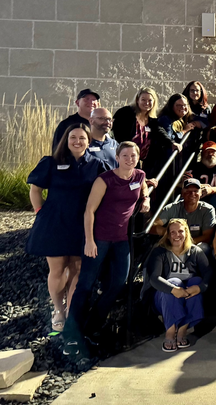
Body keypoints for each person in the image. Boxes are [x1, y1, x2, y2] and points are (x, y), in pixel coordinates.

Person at [63, 141, 150, 357]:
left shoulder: (139, 176)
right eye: (125, 155)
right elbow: (89, 211)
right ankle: (71, 334)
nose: (129, 159)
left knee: (119, 283)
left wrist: (146, 199)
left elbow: (143, 186)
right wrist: (89, 241)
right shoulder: (105, 180)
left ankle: (92, 326)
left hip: (121, 240)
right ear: (117, 157)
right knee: (85, 285)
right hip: (99, 238)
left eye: (133, 155)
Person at [27, 124, 110, 332]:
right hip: (54, 223)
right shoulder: (51, 162)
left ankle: (71, 314)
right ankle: (58, 309)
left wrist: (144, 185)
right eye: (73, 137)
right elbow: (35, 189)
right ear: (66, 140)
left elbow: (114, 183)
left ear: (88, 141)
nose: (77, 141)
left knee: (77, 270)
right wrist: (40, 212)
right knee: (57, 270)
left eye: (82, 138)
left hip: (82, 224)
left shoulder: (97, 165)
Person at [142, 219, 212, 352]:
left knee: (196, 281)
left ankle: (182, 330)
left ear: (186, 233)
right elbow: (154, 278)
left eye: (180, 231)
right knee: (174, 281)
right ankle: (170, 331)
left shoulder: (195, 251)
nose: (177, 235)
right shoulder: (159, 252)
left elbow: (208, 274)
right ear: (168, 235)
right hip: (164, 297)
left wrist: (199, 287)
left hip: (187, 294)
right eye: (172, 232)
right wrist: (173, 289)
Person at [112, 87, 179, 179]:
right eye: (143, 99)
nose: (147, 103)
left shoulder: (152, 120)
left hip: (145, 162)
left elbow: (160, 132)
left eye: (150, 100)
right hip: (128, 159)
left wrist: (171, 143)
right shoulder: (126, 113)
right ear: (137, 100)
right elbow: (117, 134)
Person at [153, 178, 216, 259]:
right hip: (174, 244)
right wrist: (170, 233)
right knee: (156, 247)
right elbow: (152, 226)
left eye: (196, 191)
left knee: (203, 248)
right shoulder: (172, 208)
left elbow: (207, 237)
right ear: (182, 193)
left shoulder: (207, 209)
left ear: (201, 193)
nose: (192, 194)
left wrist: (185, 244)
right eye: (188, 191)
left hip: (195, 245)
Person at [185, 141, 216, 211]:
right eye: (207, 151)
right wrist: (197, 186)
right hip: (197, 196)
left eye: (213, 152)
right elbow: (182, 183)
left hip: (215, 199)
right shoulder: (195, 167)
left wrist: (211, 190)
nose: (210, 154)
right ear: (202, 154)